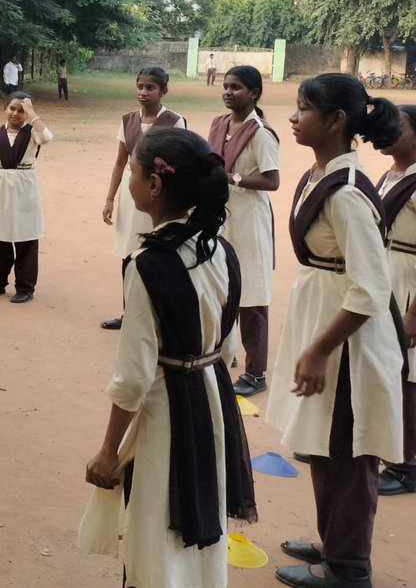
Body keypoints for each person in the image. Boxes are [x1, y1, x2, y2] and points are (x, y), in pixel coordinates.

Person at [81, 128, 256, 588]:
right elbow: (229, 347)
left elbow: (135, 376)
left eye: (134, 171)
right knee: (200, 504)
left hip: (165, 410)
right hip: (213, 398)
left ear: (154, 186)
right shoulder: (221, 250)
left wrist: (108, 451)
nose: (130, 180)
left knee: (155, 517)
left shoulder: (147, 264)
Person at [266, 74, 405, 588]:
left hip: (348, 341)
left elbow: (369, 288)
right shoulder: (321, 174)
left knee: (347, 449)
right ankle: (334, 541)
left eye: (304, 109)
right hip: (325, 319)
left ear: (336, 120)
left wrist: (320, 349)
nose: (294, 117)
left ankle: (349, 569)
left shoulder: (346, 193)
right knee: (325, 443)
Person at [208, 65, 280, 398]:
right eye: (225, 86)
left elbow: (272, 180)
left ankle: (256, 373)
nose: (227, 92)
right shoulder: (219, 123)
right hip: (221, 214)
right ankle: (224, 352)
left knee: (251, 293)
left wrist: (232, 178)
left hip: (249, 218)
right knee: (220, 286)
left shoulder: (261, 133)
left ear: (253, 93)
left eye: (235, 87)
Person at [100, 67, 187, 329]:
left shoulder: (174, 122)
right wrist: (110, 198)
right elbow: (119, 162)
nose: (143, 92)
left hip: (160, 198)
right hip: (131, 196)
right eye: (140, 87)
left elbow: (178, 165)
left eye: (150, 88)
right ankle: (130, 314)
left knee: (158, 254)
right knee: (130, 254)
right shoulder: (127, 120)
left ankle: (159, 318)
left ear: (164, 91)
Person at [375, 103, 416, 497]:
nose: (388, 131)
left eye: (398, 127)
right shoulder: (392, 174)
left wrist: (414, 314)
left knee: (408, 376)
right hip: (388, 270)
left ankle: (407, 465)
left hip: (409, 280)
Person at [0, 93, 52, 302]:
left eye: (21, 110)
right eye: (12, 108)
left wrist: (32, 113)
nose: (15, 113)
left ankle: (25, 287)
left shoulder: (32, 134)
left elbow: (47, 138)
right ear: (5, 109)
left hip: (24, 188)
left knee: (25, 237)